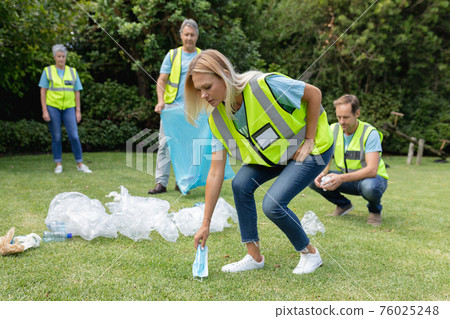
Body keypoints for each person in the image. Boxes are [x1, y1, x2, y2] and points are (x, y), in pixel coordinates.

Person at [185, 50, 334, 275]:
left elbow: (314, 94)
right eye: (199, 90)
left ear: (225, 74)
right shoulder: (217, 119)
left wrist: (310, 139)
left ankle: (310, 253)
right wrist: (205, 223)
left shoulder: (266, 84)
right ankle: (254, 256)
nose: (203, 95)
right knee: (240, 184)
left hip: (313, 148)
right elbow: (215, 172)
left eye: (207, 87)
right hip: (276, 155)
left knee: (273, 205)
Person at [309, 94, 388, 226]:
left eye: (345, 117)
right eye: (338, 117)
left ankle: (375, 211)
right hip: (346, 179)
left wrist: (341, 178)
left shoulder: (370, 133)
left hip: (372, 180)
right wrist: (322, 173)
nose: (341, 122)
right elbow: (325, 162)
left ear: (357, 113)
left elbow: (372, 170)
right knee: (311, 177)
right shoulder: (332, 129)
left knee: (370, 188)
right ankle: (343, 205)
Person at [148, 19, 201, 194]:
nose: (189, 38)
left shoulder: (202, 56)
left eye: (192, 34)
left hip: (193, 109)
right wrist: (160, 100)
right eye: (186, 34)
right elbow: (162, 80)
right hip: (171, 108)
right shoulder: (172, 55)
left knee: (188, 146)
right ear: (180, 36)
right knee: (164, 144)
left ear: (197, 36)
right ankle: (161, 183)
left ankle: (182, 182)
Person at [39, 44, 92, 174]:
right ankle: (58, 163)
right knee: (56, 136)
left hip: (69, 108)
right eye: (59, 56)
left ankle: (80, 164)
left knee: (74, 136)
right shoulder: (48, 71)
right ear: (54, 57)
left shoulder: (72, 72)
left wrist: (78, 111)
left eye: (63, 56)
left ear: (66, 57)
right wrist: (45, 110)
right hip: (53, 107)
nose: (61, 59)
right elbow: (43, 92)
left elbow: (77, 92)